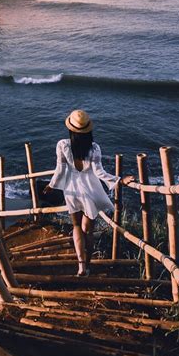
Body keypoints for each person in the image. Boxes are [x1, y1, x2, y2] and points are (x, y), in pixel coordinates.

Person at [44, 109, 134, 276]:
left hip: (71, 189)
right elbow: (100, 173)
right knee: (88, 230)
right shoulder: (94, 148)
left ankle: (81, 267)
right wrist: (119, 180)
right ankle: (89, 265)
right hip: (90, 189)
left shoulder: (62, 145)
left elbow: (60, 170)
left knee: (76, 226)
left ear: (70, 129)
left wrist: (51, 185)